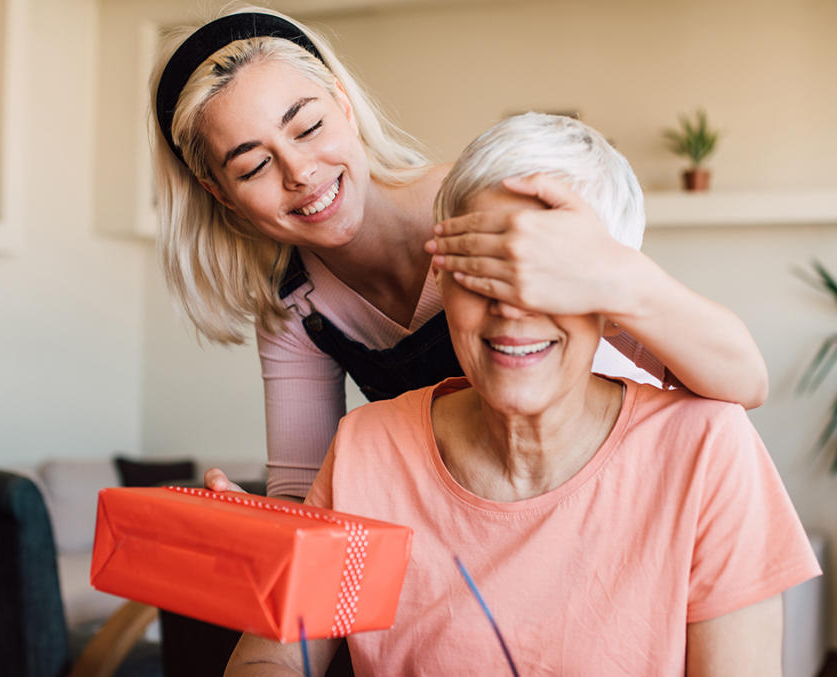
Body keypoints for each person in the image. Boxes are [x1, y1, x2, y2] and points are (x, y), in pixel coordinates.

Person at [223, 113, 820, 676]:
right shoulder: (366, 448)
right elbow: (274, 658)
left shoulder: (706, 450)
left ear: (615, 304)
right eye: (484, 269)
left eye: (550, 277)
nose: (511, 306)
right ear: (442, 277)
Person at [151, 5, 769, 500]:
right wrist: (261, 525)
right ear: (220, 194)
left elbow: (741, 380)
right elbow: (310, 491)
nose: (300, 172)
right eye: (255, 165)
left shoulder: (487, 205)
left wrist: (607, 271)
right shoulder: (297, 307)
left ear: (342, 103)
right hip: (483, 509)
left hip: (621, 484)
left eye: (308, 127)